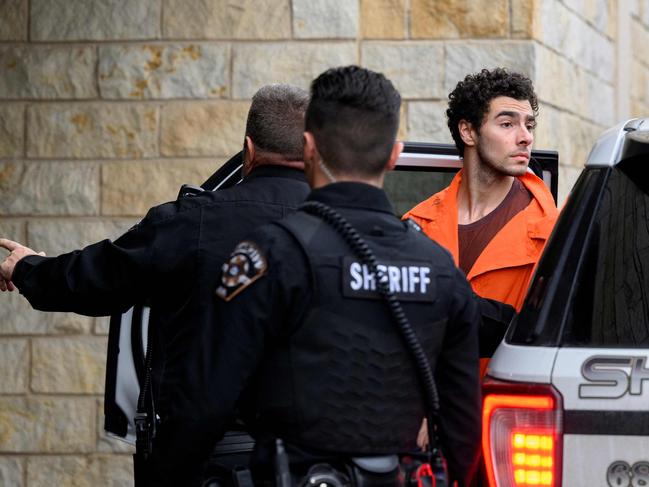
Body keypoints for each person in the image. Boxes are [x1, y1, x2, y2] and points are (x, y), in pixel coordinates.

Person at [0, 84, 311, 485]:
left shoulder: (191, 221)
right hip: (321, 460)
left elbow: (94, 280)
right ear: (313, 150)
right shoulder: (349, 230)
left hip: (205, 460)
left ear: (249, 150)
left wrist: (27, 267)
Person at [200, 66, 481, 487]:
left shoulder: (267, 255)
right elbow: (463, 432)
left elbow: (205, 403)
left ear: (309, 148)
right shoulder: (442, 271)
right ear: (393, 154)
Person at [403, 68, 558, 364]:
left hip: (506, 405)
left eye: (529, 124)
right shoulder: (416, 225)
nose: (525, 137)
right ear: (468, 131)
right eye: (507, 123)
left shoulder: (555, 234)